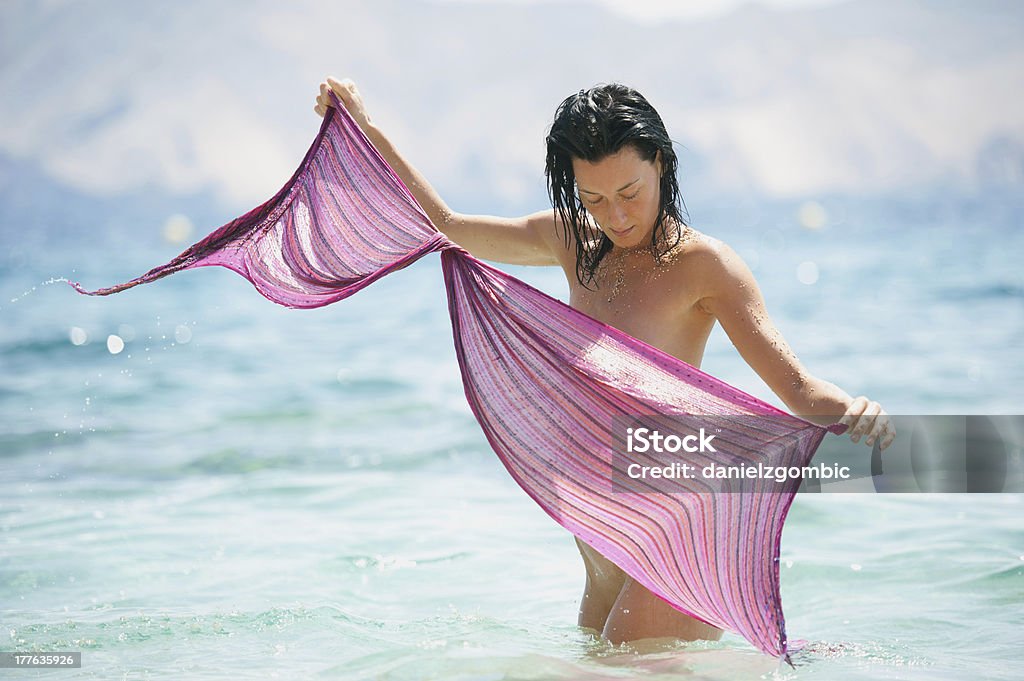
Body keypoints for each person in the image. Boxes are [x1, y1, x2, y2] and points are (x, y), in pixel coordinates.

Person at [314, 77, 895, 646]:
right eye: (593, 199)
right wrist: (367, 129)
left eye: (629, 193)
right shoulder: (572, 243)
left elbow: (796, 389)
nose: (615, 216)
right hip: (601, 535)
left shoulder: (706, 267)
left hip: (677, 523)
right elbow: (449, 228)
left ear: (662, 165)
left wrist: (852, 409)